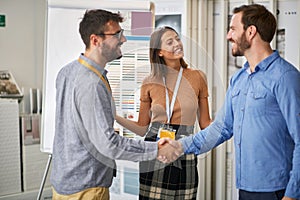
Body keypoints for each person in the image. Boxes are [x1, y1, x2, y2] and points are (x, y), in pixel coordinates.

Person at [159, 4, 300, 200]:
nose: (228, 36)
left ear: (250, 32)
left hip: (278, 190)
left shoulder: (285, 77)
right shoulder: (239, 79)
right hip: (245, 188)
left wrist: (293, 194)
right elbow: (220, 128)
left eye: (233, 29)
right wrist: (179, 146)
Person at [50, 9, 179, 200]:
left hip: (64, 184)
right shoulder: (91, 83)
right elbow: (108, 145)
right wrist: (156, 149)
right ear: (95, 40)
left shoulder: (67, 72)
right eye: (117, 34)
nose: (123, 39)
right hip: (87, 190)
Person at [115, 26, 211, 199]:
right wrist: (114, 116)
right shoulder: (149, 81)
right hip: (154, 150)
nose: (177, 43)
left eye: (177, 39)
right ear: (159, 52)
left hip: (185, 148)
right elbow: (142, 128)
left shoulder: (198, 77)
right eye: (170, 41)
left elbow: (206, 124)